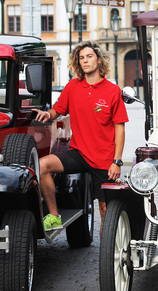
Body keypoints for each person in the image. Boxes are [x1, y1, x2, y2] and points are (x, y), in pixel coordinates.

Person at [34, 40, 129, 232]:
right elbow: (58, 109)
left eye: (89, 56)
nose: (85, 61)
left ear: (99, 60)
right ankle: (54, 216)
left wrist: (117, 161)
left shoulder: (112, 91)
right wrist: (48, 115)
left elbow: (120, 128)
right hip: (78, 153)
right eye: (81, 58)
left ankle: (107, 257)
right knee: (42, 165)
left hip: (104, 160)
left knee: (105, 212)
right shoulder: (73, 87)